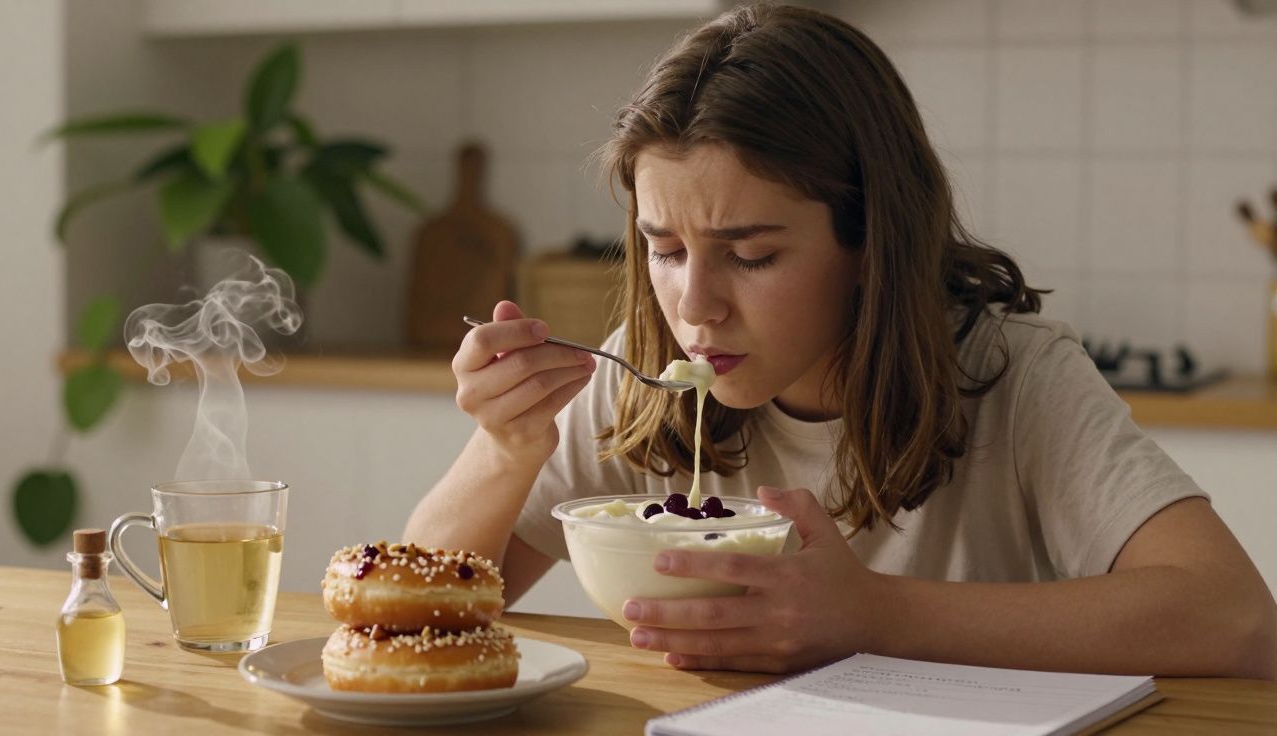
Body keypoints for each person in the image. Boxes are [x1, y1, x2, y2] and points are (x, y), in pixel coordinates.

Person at [404, 3, 1277, 678]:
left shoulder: (1014, 376)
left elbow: (1235, 622)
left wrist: (875, 614)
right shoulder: (640, 383)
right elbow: (419, 610)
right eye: (664, 250)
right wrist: (503, 446)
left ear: (870, 241)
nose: (695, 306)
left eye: (750, 255)